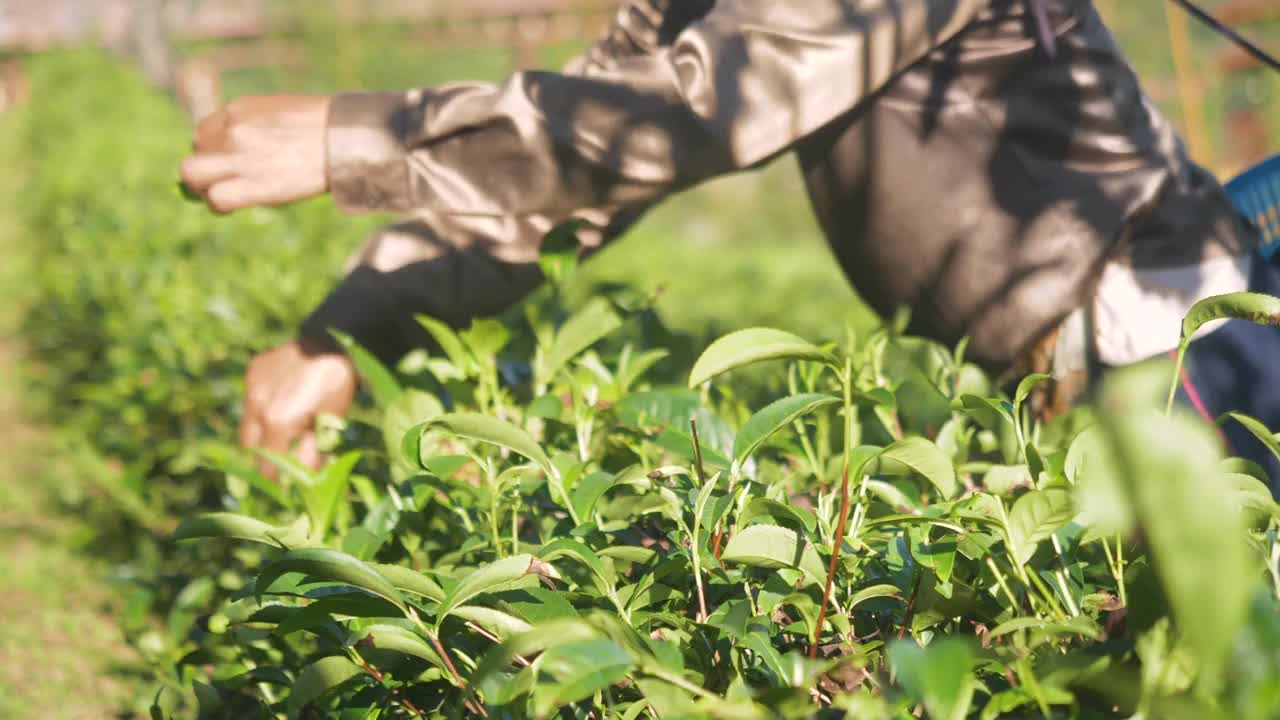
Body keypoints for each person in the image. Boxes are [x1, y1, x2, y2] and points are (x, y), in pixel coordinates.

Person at [179, 0, 1273, 482]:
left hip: (1174, 346)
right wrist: (341, 329)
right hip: (1059, 367)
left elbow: (708, 109)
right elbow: (582, 172)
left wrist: (356, 135)